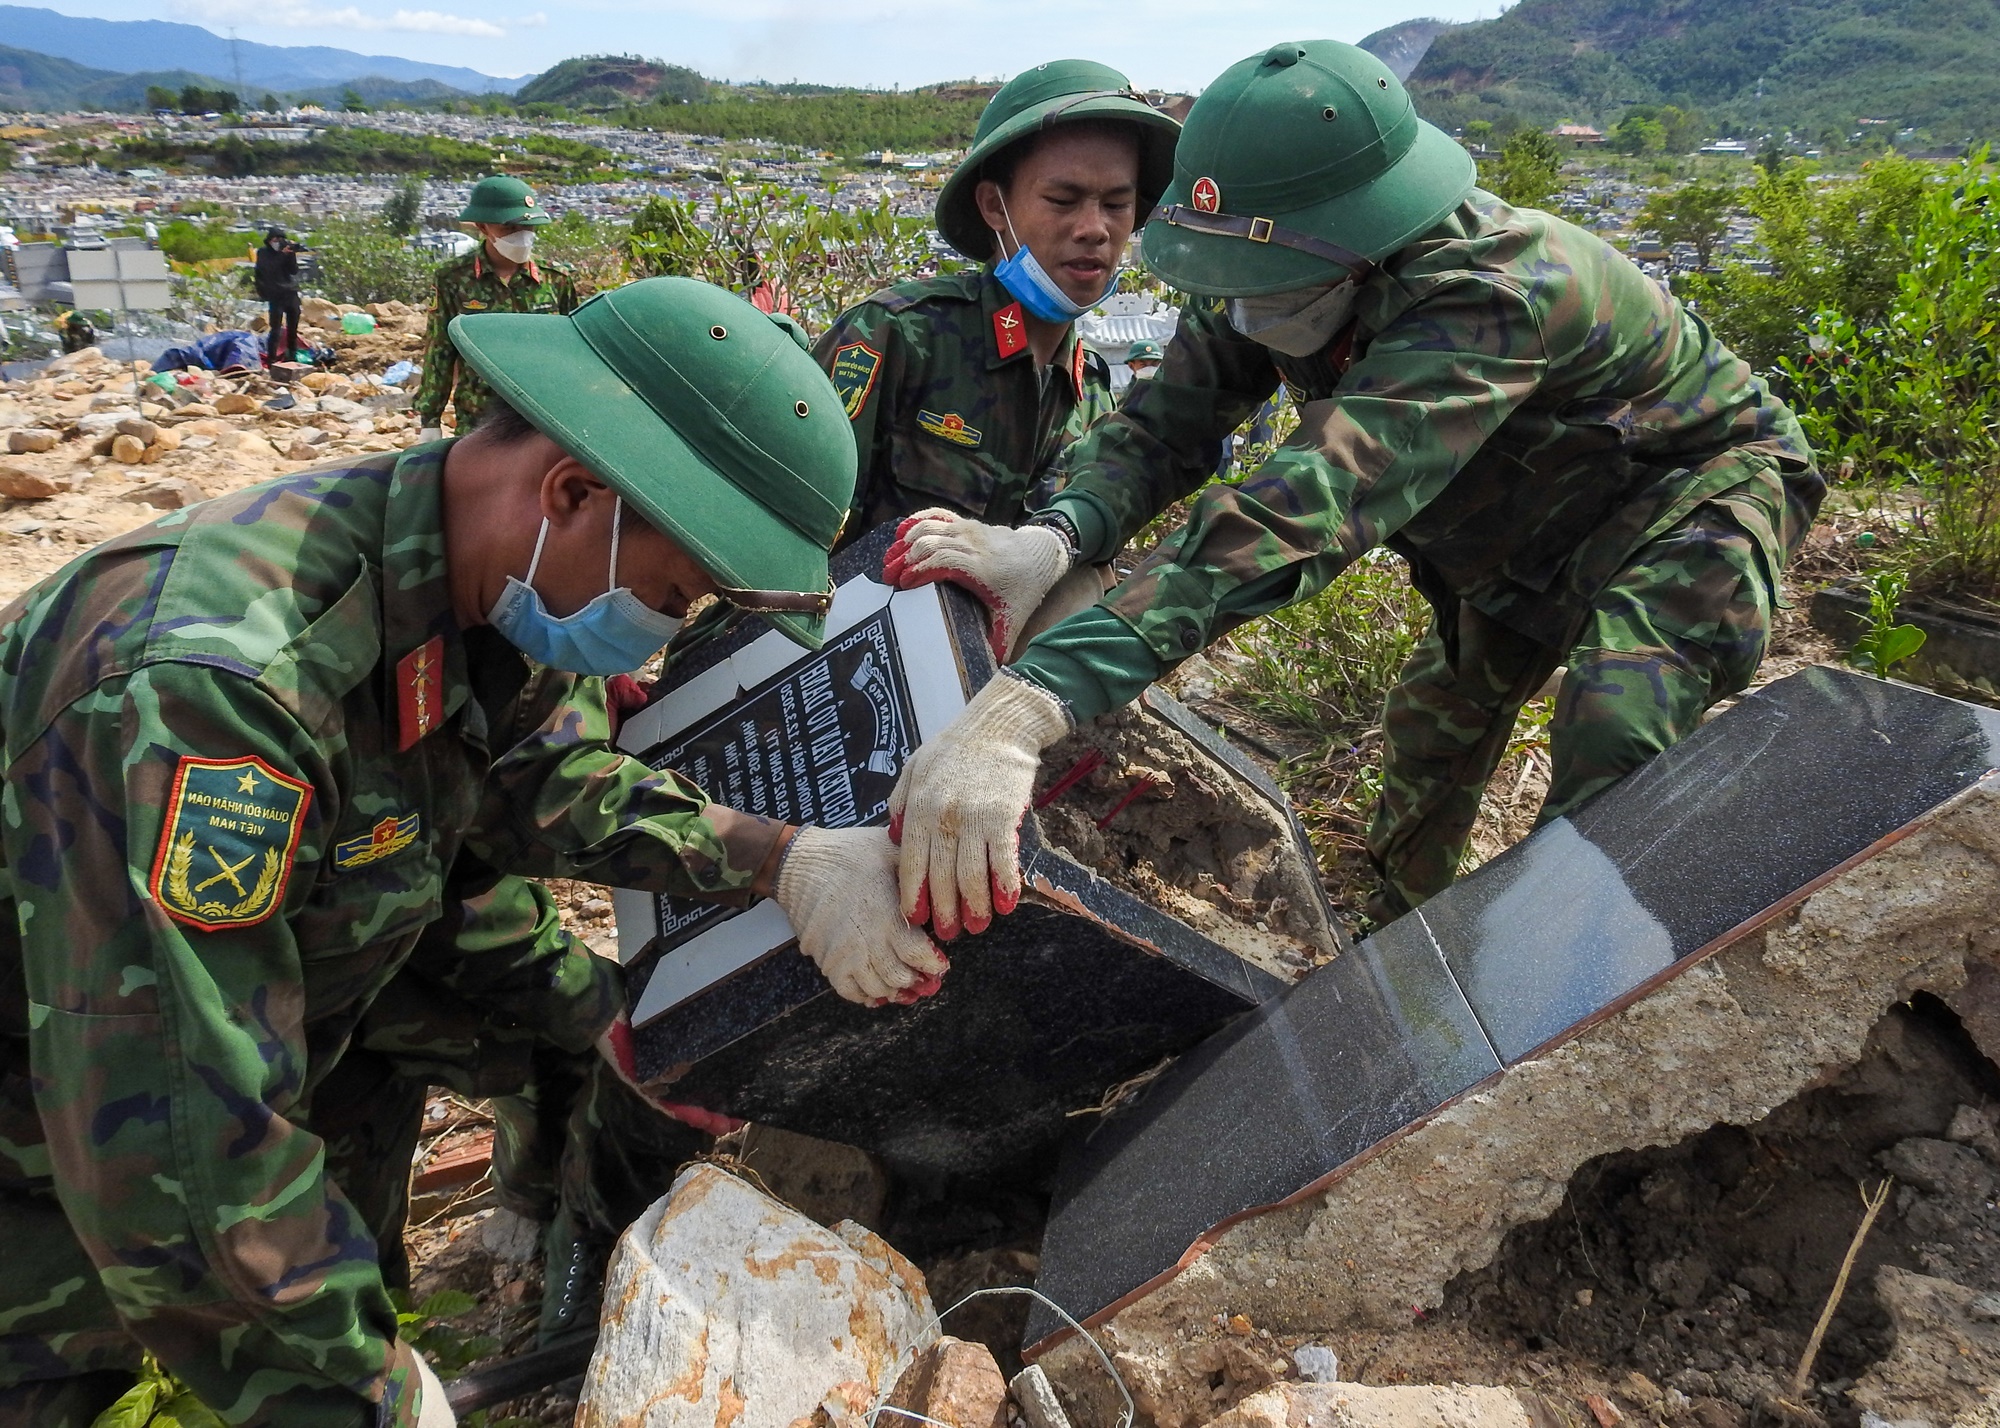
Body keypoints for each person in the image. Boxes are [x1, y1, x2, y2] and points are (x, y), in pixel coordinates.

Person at [0, 277, 944, 1428]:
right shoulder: (213, 697)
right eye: (670, 593)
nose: (663, 625)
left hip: (302, 1007)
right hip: (50, 1108)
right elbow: (177, 1152)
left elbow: (532, 777)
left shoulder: (487, 578)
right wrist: (372, 1397)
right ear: (572, 489)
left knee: (548, 1032)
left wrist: (776, 853)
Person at [884, 39, 1822, 939]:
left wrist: (1031, 703)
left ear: (1360, 242)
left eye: (1269, 288)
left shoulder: (1490, 292)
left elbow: (1308, 506)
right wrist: (1056, 538)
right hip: (1508, 527)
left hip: (1684, 499)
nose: (1247, 311)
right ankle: (1402, 952)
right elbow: (1166, 427)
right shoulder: (1258, 248)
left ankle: (1583, 977)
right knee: (1432, 742)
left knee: (1615, 733)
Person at [810, 63, 1178, 658]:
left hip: (974, 674)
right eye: (1062, 200)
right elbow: (786, 530)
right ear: (993, 206)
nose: (1094, 230)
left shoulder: (1093, 396)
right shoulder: (902, 337)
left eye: (1117, 204)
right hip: (831, 650)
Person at [414, 175, 581, 444]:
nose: (522, 236)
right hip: (480, 413)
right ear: (483, 227)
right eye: (509, 228)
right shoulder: (453, 279)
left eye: (528, 227)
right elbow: (440, 349)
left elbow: (573, 349)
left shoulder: (556, 279)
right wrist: (430, 418)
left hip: (544, 410)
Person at [254, 226, 304, 363]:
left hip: (290, 293)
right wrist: (281, 254)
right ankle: (271, 359)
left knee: (292, 329)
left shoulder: (286, 252)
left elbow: (293, 271)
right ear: (270, 240)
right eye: (276, 239)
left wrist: (291, 254)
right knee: (275, 330)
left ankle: (292, 357)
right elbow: (268, 269)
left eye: (281, 239)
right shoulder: (263, 253)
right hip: (275, 294)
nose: (278, 242)